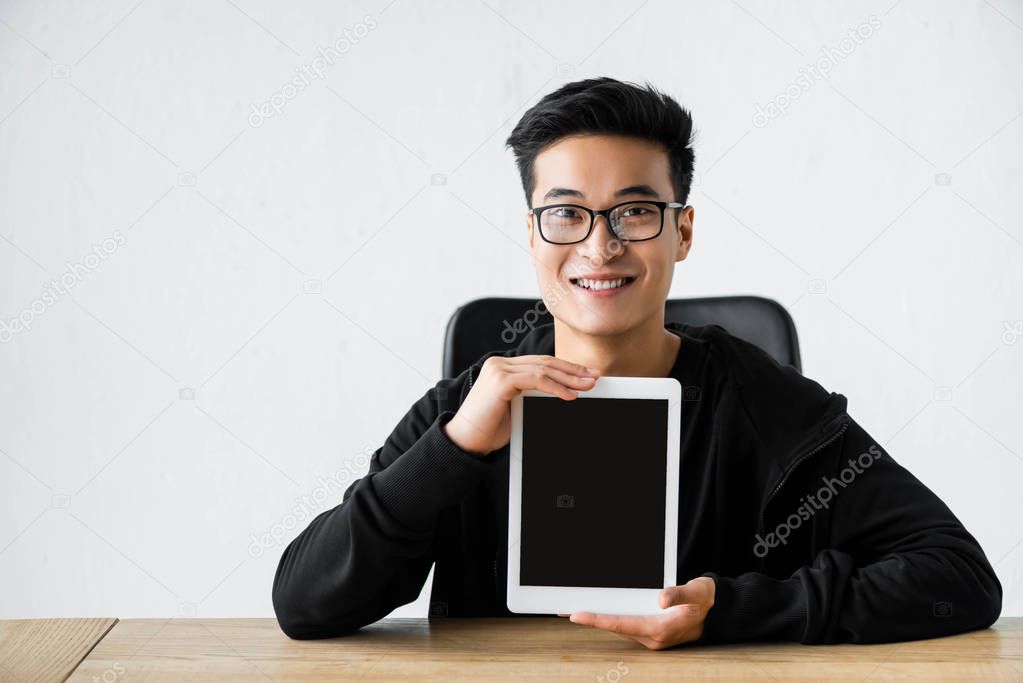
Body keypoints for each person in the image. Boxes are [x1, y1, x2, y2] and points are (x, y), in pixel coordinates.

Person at [272, 77, 1001, 649]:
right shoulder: (465, 409)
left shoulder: (764, 406)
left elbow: (959, 577)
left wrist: (733, 609)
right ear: (530, 235)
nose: (599, 246)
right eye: (565, 214)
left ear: (681, 231)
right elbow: (304, 603)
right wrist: (452, 450)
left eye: (634, 211)